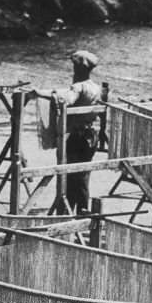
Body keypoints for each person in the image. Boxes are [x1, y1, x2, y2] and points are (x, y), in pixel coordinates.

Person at [54, 49, 102, 213]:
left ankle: (66, 211)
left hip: (77, 136)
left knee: (69, 175)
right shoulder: (96, 88)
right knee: (83, 176)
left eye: (75, 67)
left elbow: (66, 101)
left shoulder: (78, 87)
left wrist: (49, 95)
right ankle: (82, 210)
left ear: (79, 69)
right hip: (91, 136)